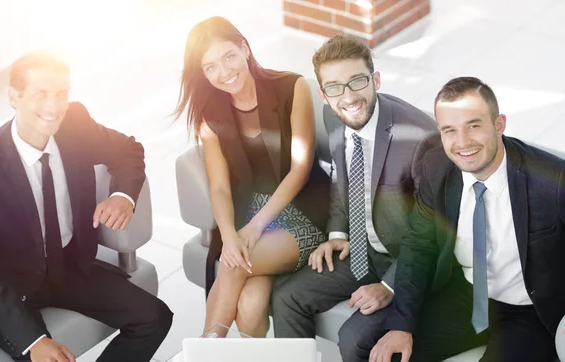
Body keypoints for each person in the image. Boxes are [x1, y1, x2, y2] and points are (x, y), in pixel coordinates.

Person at [0, 52, 173, 362]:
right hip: (10, 283)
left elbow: (129, 150)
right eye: (41, 94)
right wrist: (33, 340)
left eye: (61, 94)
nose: (54, 106)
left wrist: (123, 197)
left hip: (67, 266)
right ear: (13, 97)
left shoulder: (74, 123)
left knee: (154, 317)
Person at [368, 77, 565, 362]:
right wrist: (402, 324)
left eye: (474, 126)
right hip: (466, 295)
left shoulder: (553, 179)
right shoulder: (436, 166)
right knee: (386, 353)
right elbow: (419, 246)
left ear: (499, 125)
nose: (462, 143)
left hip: (529, 310)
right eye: (450, 130)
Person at [271, 34, 439, 361]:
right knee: (287, 297)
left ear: (375, 79)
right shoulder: (334, 116)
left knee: (354, 338)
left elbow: (432, 235)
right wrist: (338, 233)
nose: (348, 97)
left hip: (411, 264)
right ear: (323, 94)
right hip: (364, 251)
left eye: (357, 81)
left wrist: (390, 286)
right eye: (334, 87)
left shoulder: (420, 139)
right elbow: (341, 176)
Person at [172, 16, 329, 338]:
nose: (224, 72)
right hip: (247, 218)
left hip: (304, 210)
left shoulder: (291, 87)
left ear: (245, 48)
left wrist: (255, 227)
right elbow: (218, 187)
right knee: (249, 305)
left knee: (232, 264)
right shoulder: (210, 116)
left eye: (229, 56)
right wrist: (230, 234)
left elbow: (300, 167)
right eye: (210, 66)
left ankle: (207, 349)